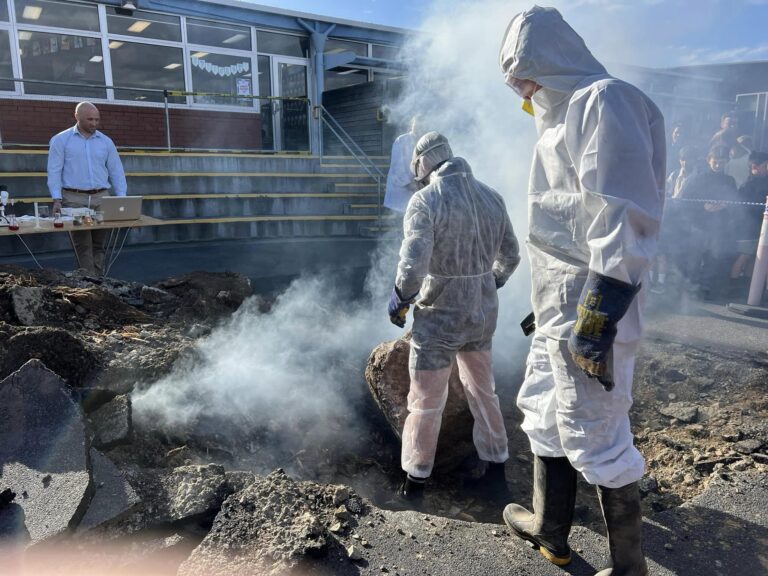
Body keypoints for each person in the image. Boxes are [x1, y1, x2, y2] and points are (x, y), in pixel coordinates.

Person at [499, 7, 665, 575]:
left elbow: (624, 216)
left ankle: (628, 568)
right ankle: (551, 530)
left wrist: (596, 317)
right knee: (544, 411)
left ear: (552, 58)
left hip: (593, 303)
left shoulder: (603, 100)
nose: (519, 86)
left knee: (598, 431)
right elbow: (561, 227)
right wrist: (544, 305)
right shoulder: (555, 118)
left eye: (523, 70)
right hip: (558, 304)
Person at [387, 131, 520, 505]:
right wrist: (487, 284)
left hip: (440, 318)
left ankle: (414, 484)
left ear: (423, 164)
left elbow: (414, 265)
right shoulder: (492, 197)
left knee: (426, 402)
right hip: (481, 315)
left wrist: (400, 298)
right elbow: (511, 256)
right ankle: (496, 475)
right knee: (483, 392)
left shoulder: (425, 201)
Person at [47, 101, 127, 276]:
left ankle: (99, 279)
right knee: (83, 244)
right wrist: (56, 199)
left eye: (97, 119)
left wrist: (122, 198)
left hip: (101, 199)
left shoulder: (106, 142)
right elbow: (54, 171)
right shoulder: (61, 140)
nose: (94, 123)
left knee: (99, 243)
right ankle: (89, 283)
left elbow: (116, 170)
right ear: (77, 117)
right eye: (90, 119)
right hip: (74, 200)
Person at [383, 117, 421, 213]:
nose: (419, 127)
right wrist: (410, 184)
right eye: (417, 124)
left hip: (416, 194)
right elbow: (398, 168)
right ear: (412, 125)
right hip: (400, 194)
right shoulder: (401, 140)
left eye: (422, 125)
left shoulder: (423, 142)